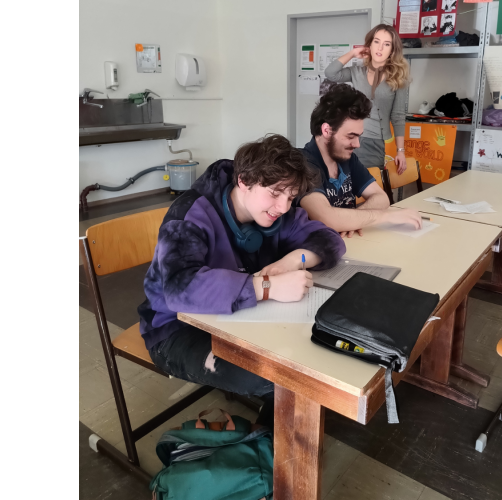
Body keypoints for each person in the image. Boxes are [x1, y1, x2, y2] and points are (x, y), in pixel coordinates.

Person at [137, 134, 346, 427]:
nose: (283, 207)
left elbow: (331, 240)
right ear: (244, 180)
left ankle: (270, 437)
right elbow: (179, 287)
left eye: (290, 197)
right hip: (176, 329)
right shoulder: (190, 213)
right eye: (275, 193)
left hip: (240, 319)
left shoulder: (276, 214)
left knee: (307, 361)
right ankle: (270, 445)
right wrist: (267, 287)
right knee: (286, 378)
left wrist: (293, 260)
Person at [299, 83, 422, 238]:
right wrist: (385, 216)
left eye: (358, 136)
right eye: (351, 136)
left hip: (348, 241)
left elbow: (381, 198)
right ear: (326, 131)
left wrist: (352, 221)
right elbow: (326, 218)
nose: (357, 144)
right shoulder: (303, 164)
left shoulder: (347, 158)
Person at [324, 24, 410, 174]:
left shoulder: (399, 78)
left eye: (387, 44)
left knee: (369, 183)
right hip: (348, 138)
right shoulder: (357, 72)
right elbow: (330, 73)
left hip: (375, 142)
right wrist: (352, 53)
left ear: (392, 50)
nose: (380, 48)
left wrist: (400, 151)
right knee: (345, 182)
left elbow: (398, 116)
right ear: (369, 44)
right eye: (376, 41)